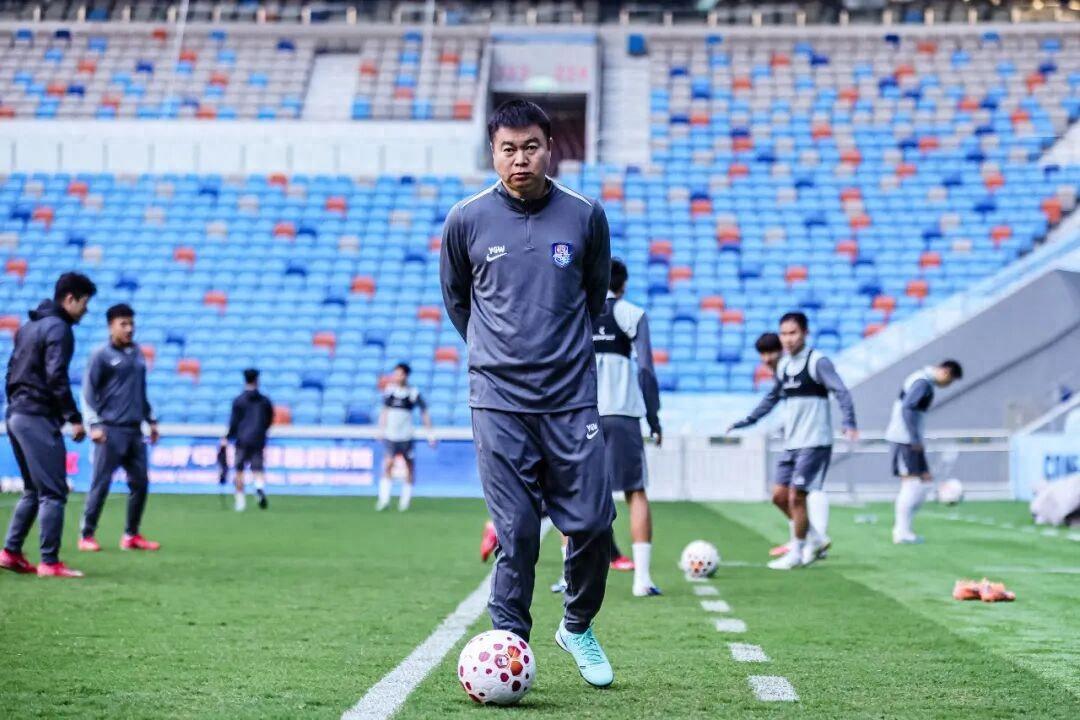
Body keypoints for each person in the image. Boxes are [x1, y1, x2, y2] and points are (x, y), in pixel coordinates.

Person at [440, 99, 615, 687]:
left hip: (570, 397)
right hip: (498, 399)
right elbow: (458, 301)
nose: (520, 159)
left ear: (549, 148)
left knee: (593, 523)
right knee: (515, 532)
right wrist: (496, 354)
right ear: (493, 153)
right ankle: (508, 645)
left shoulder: (585, 216)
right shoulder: (465, 219)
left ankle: (578, 625)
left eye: (531, 147)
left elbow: (593, 297)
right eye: (508, 149)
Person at [728, 312, 857, 570]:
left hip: (815, 441)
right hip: (792, 442)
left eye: (793, 333)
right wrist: (747, 420)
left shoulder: (817, 362)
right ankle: (816, 539)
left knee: (797, 496)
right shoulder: (785, 366)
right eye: (784, 334)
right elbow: (772, 398)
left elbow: (841, 391)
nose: (788, 339)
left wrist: (849, 421)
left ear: (805, 333)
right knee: (778, 496)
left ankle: (796, 553)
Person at [0, 272, 96, 578]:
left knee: (33, 489)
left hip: (15, 413)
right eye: (84, 303)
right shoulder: (59, 328)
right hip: (36, 416)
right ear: (70, 299)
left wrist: (16, 406)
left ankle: (11, 552)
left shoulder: (28, 327)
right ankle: (49, 561)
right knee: (53, 491)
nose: (86, 310)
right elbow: (56, 376)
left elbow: (10, 371)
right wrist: (73, 418)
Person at [78, 303, 161, 552]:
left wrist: (151, 420)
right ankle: (86, 535)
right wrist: (94, 424)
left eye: (131, 324)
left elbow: (141, 392)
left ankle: (131, 535)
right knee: (101, 484)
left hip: (135, 431)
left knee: (140, 483)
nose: (129, 329)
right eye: (123, 324)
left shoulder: (137, 353)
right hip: (109, 431)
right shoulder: (100, 355)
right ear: (110, 326)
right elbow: (87, 392)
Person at [886, 360, 963, 544]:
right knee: (911, 483)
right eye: (950, 380)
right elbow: (907, 408)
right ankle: (901, 532)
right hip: (905, 439)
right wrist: (914, 438)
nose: (948, 385)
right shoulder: (922, 383)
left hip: (910, 439)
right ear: (946, 372)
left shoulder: (923, 381)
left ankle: (906, 530)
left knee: (923, 481)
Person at [376, 362, 435, 512]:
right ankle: (384, 500)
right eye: (395, 373)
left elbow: (424, 412)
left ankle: (405, 501)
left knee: (409, 467)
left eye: (400, 374)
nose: (397, 376)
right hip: (391, 435)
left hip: (406, 436)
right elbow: (384, 411)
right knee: (388, 464)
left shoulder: (413, 393)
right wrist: (380, 430)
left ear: (406, 376)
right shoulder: (390, 392)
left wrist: (430, 434)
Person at [221, 368, 274, 512]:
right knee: (257, 467)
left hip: (242, 438)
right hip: (258, 438)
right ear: (257, 380)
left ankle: (240, 501)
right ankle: (259, 487)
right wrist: (262, 430)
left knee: (239, 470)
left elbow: (234, 422)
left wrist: (227, 437)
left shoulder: (239, 400)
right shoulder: (264, 400)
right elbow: (269, 419)